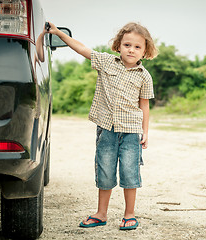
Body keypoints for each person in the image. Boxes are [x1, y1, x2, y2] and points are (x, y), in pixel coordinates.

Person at [46, 22, 158, 230]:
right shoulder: (106, 62)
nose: (131, 50)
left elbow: (144, 105)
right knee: (105, 171)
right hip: (106, 129)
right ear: (118, 45)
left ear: (145, 50)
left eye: (137, 47)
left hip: (131, 132)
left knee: (129, 172)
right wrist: (58, 33)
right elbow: (81, 48)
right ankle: (101, 213)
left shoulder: (144, 76)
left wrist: (145, 132)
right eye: (127, 45)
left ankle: (129, 214)